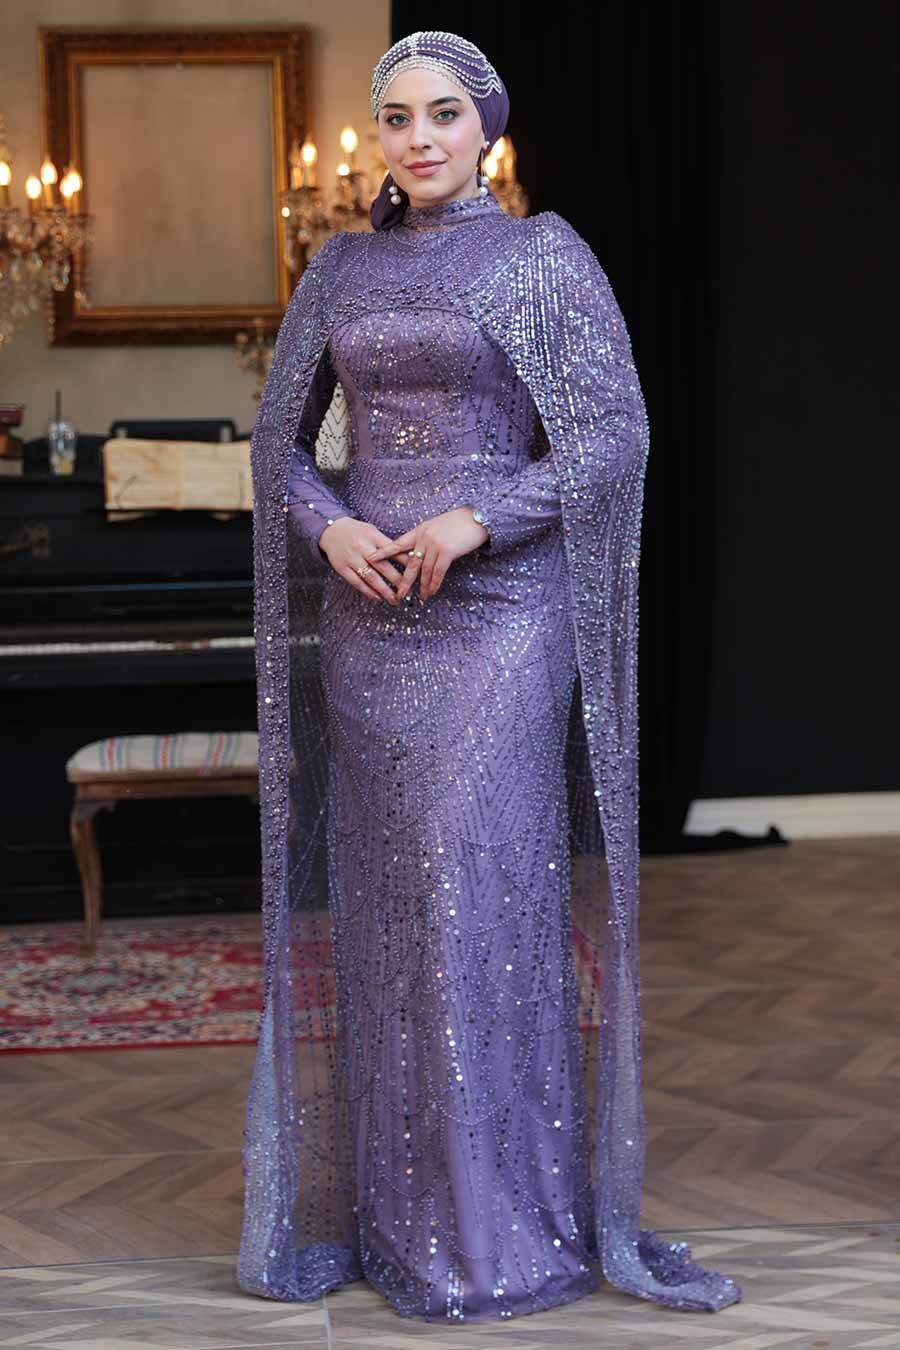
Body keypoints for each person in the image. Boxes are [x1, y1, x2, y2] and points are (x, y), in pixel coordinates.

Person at [237, 29, 742, 1325]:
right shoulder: (340, 268)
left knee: (477, 893)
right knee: (396, 906)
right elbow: (278, 447)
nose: (418, 137)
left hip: (504, 614)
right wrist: (329, 528)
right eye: (396, 116)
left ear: (487, 130)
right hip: (371, 618)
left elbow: (612, 435)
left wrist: (477, 520)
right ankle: (410, 1223)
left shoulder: (542, 257)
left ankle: (507, 1225)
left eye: (444, 114)